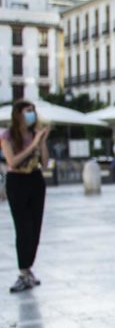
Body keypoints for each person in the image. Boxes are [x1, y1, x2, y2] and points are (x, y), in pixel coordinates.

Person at [1, 99, 50, 293]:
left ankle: (28, 269)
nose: (32, 114)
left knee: (35, 228)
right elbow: (12, 161)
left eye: (33, 111)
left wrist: (42, 142)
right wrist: (34, 144)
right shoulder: (7, 136)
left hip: (35, 180)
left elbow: (45, 164)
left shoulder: (35, 134)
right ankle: (23, 272)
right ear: (18, 114)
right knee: (23, 228)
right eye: (28, 111)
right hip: (17, 182)